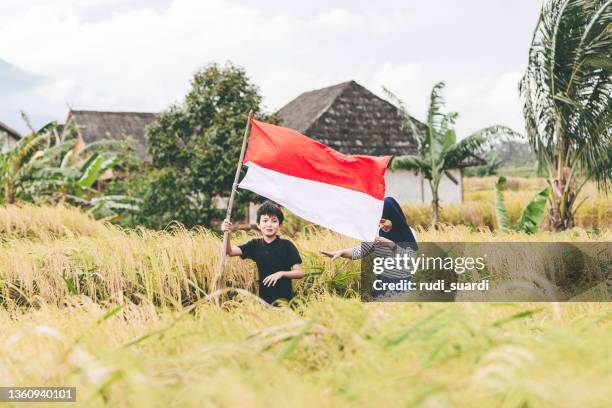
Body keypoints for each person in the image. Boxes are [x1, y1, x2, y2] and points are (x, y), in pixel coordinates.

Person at [320, 197, 418, 298]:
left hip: (403, 287)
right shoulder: (379, 233)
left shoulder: (410, 233)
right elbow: (361, 250)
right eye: (379, 222)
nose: (381, 225)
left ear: (393, 216)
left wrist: (392, 245)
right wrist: (342, 252)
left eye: (383, 221)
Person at [221, 200, 304, 305]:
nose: (269, 224)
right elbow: (230, 251)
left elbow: (299, 273)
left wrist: (281, 274)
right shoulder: (255, 245)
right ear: (258, 225)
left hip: (285, 301)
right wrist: (227, 233)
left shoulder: (287, 245)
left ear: (280, 225)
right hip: (264, 301)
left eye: (274, 221)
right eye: (265, 221)